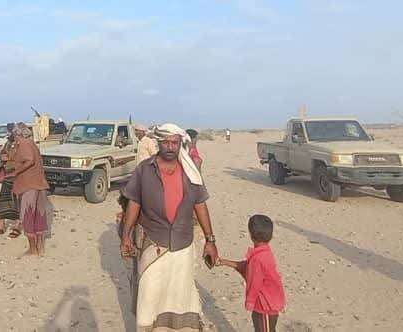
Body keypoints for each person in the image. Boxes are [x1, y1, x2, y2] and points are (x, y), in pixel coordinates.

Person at [120, 123, 218, 332]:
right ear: (158, 143)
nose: (170, 147)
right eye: (166, 142)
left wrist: (210, 241)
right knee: (149, 292)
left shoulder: (190, 172)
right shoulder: (144, 170)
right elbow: (134, 203)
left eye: (174, 142)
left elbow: (200, 205)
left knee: (179, 296)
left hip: (183, 244)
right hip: (153, 242)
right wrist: (126, 235)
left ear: (180, 143)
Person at [217, 215, 286, 332]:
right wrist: (224, 262)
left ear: (250, 235)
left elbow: (254, 283)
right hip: (270, 301)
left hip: (265, 305)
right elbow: (246, 267)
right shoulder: (264, 252)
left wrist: (249, 302)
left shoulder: (257, 259)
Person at [10, 122, 52, 256]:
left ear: (17, 134)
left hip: (29, 185)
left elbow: (29, 160)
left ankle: (33, 249)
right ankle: (40, 247)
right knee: (39, 216)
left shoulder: (23, 143)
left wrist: (15, 172)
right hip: (39, 183)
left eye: (14, 135)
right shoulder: (32, 143)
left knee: (28, 216)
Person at [0, 123, 22, 239]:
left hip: (18, 176)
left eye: (10, 131)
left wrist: (10, 158)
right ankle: (0, 226)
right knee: (2, 201)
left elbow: (25, 159)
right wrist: (3, 157)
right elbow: (2, 153)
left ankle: (17, 226)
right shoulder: (8, 143)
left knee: (17, 201)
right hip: (8, 175)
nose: (8, 133)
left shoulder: (21, 143)